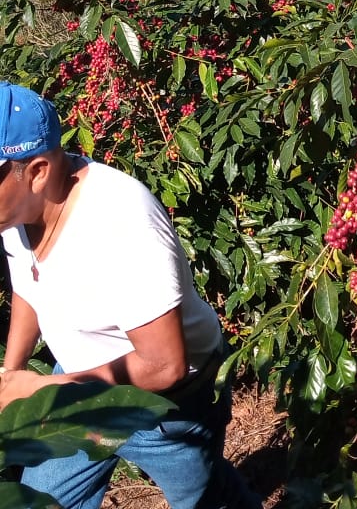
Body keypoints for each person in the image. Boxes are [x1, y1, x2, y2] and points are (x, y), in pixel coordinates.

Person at [0, 80, 262, 509]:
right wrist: (11, 376)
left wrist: (41, 390)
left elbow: (164, 365)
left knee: (208, 500)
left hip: (169, 408)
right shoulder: (15, 212)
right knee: (37, 502)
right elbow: (30, 285)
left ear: (38, 172)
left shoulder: (120, 221)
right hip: (78, 381)